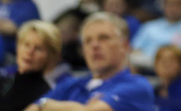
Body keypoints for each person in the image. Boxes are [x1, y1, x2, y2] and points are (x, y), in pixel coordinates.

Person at [24, 12, 155, 111]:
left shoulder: (137, 86)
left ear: (125, 46)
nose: (94, 45)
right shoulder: (70, 84)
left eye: (103, 38)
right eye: (87, 41)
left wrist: (46, 105)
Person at [0, 21, 64, 111]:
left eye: (38, 48)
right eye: (26, 45)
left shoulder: (47, 96)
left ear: (51, 56)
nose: (30, 52)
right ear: (17, 47)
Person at [129, 0, 181, 68]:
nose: (172, 7)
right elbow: (135, 50)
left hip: (175, 69)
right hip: (146, 67)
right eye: (169, 3)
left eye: (177, 3)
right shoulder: (149, 26)